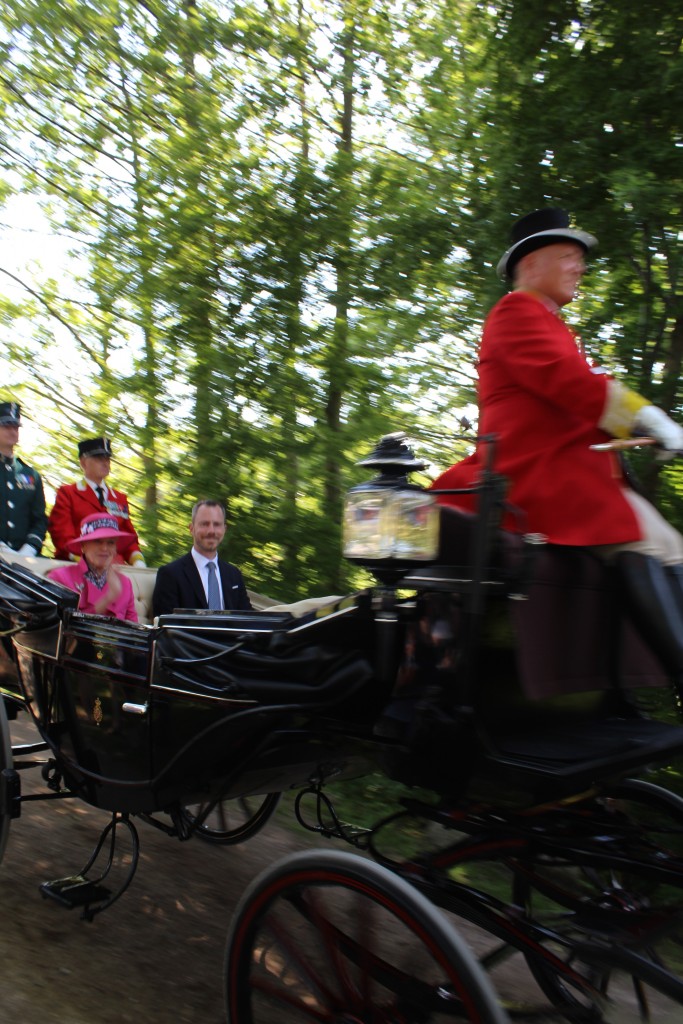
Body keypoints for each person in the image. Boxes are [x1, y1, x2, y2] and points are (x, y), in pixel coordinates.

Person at [432, 206, 683, 696]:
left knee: (671, 550)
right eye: (568, 255)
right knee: (651, 546)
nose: (579, 266)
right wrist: (650, 417)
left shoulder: (546, 319)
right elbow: (567, 383)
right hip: (534, 472)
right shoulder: (517, 309)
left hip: (562, 468)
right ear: (529, 265)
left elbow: (570, 396)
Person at [48, 437, 146, 565]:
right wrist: (84, 560)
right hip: (75, 566)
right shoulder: (68, 493)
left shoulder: (119, 498)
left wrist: (138, 562)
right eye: (99, 459)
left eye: (107, 459)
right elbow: (62, 535)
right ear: (83, 463)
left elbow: (128, 539)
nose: (105, 463)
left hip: (114, 568)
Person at [152, 499, 252, 618]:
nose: (211, 531)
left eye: (217, 524)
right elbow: (166, 627)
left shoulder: (234, 575)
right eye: (204, 524)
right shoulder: (170, 575)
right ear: (191, 528)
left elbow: (249, 619)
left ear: (224, 529)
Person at [47, 512, 138, 621]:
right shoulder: (60, 577)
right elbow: (58, 627)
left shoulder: (125, 583)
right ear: (83, 546)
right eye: (97, 541)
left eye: (110, 543)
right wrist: (107, 599)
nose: (104, 548)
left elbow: (134, 631)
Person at [0, 400, 48, 556]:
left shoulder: (30, 475)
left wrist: (30, 548)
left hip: (25, 557)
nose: (12, 431)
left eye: (15, 426)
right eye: (6, 426)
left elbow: (39, 519)